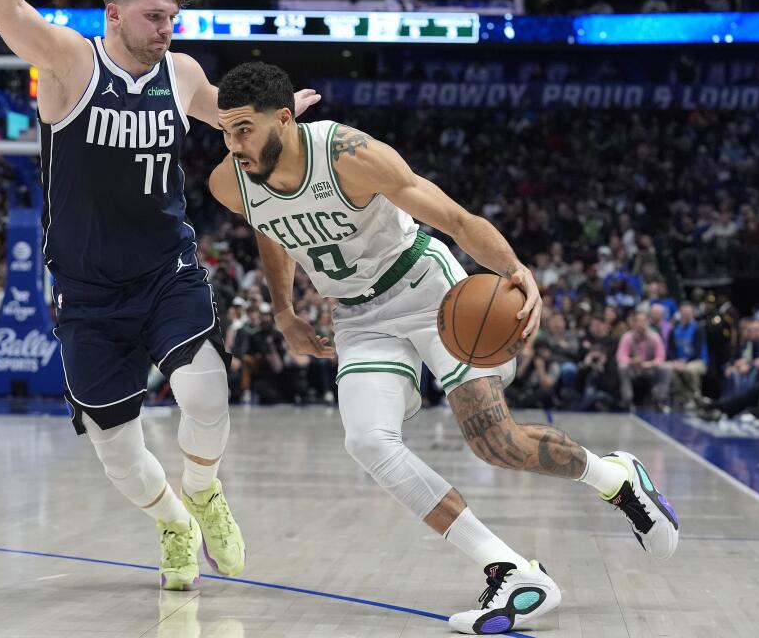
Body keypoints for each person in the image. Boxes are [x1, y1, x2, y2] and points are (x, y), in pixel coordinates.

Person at [208, 62, 678, 635]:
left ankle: (615, 479)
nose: (233, 144)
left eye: (244, 130)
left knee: (496, 444)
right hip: (357, 316)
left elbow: (454, 218)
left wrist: (514, 268)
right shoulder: (231, 179)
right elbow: (267, 225)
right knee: (366, 441)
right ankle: (509, 570)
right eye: (225, 131)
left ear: (284, 118)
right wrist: (283, 310)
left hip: (427, 289)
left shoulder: (350, 155)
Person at [0, 0, 319, 590]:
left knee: (206, 392)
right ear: (114, 14)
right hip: (86, 285)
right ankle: (172, 521)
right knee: (117, 450)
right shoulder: (71, 64)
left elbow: (233, 122)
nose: (166, 29)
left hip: (166, 267)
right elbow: (3, 10)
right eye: (153, 17)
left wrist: (278, 118)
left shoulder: (183, 72)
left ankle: (204, 492)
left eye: (172, 18)